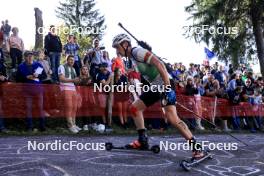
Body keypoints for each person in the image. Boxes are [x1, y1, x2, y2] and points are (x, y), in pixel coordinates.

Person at [112, 33, 205, 158]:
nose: (117, 50)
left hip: (165, 83)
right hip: (155, 86)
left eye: (117, 47)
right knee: (134, 108)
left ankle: (197, 148)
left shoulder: (136, 52)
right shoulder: (131, 59)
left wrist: (167, 87)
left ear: (125, 44)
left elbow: (160, 64)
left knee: (172, 118)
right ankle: (142, 141)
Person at [16, 51, 46, 131]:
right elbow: (17, 79)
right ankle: (29, 127)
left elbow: (44, 76)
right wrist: (26, 77)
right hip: (27, 91)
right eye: (28, 56)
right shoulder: (21, 66)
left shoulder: (38, 65)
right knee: (28, 108)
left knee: (40, 107)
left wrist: (38, 75)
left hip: (38, 90)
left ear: (33, 57)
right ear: (24, 57)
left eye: (31, 56)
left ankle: (42, 127)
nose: (30, 58)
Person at [58, 55, 81, 134]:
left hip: (73, 89)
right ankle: (70, 125)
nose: (72, 61)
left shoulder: (74, 69)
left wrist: (80, 80)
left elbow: (75, 81)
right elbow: (61, 79)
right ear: (67, 60)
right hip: (65, 88)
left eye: (73, 60)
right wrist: (73, 80)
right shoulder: (62, 66)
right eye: (70, 60)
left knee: (74, 107)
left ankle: (74, 124)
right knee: (69, 107)